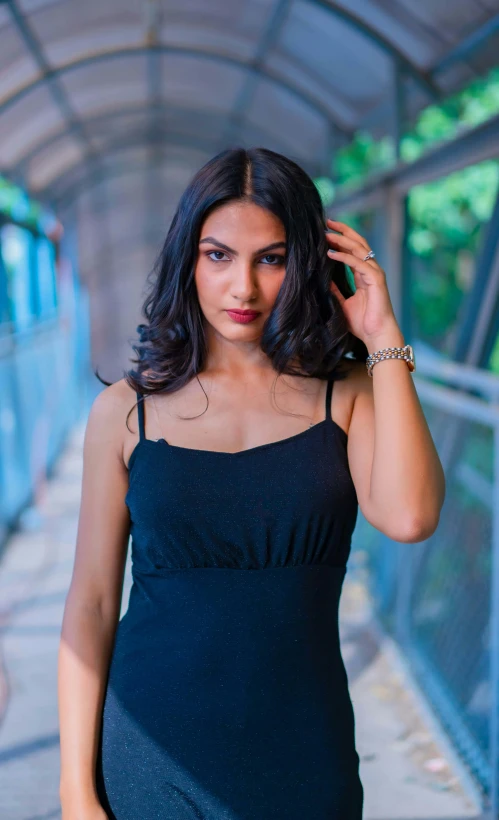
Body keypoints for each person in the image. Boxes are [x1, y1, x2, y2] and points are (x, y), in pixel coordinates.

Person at [58, 147, 445, 819]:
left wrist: (383, 339)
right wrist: (75, 791)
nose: (243, 288)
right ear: (187, 259)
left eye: (270, 258)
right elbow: (91, 604)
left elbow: (409, 516)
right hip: (150, 747)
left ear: (307, 263)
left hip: (302, 751)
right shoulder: (125, 410)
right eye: (218, 256)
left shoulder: (346, 395)